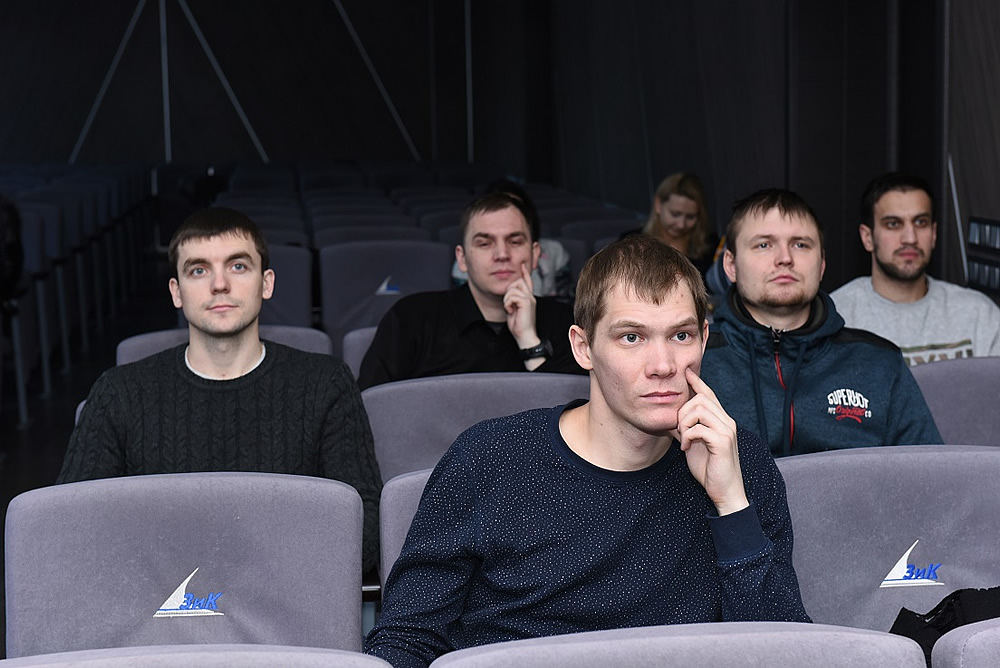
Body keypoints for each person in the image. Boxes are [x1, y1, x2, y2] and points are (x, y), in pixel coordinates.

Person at [364, 235, 810, 668]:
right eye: (631, 338)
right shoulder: (488, 459)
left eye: (680, 336)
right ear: (583, 348)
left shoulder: (736, 460)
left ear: (704, 339)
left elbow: (784, 652)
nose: (663, 366)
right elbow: (406, 642)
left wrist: (730, 505)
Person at [58, 207, 383, 574]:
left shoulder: (326, 384)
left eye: (238, 266)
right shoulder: (119, 393)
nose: (219, 284)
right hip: (160, 601)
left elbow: (366, 531)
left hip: (288, 597)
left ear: (266, 283)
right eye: (199, 270)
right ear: (176, 292)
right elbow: (71, 528)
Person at [700, 188, 941, 458]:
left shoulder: (880, 363)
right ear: (731, 265)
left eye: (801, 245)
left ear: (822, 264)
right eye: (764, 245)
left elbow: (930, 473)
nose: (785, 258)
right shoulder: (696, 360)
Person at [358, 191, 585, 390]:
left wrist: (529, 342)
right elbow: (371, 408)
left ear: (535, 254)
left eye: (515, 242)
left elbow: (575, 413)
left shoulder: (567, 324)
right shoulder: (412, 318)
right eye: (484, 243)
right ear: (462, 259)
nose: (502, 254)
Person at [831, 172, 1000, 365]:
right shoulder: (836, 318)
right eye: (893, 224)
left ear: (933, 233)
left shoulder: (979, 314)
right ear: (867, 238)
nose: (910, 238)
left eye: (920, 222)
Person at [626, 172, 722, 278]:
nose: (681, 225)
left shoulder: (710, 246)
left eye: (690, 217)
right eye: (675, 214)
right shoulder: (631, 243)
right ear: (658, 205)